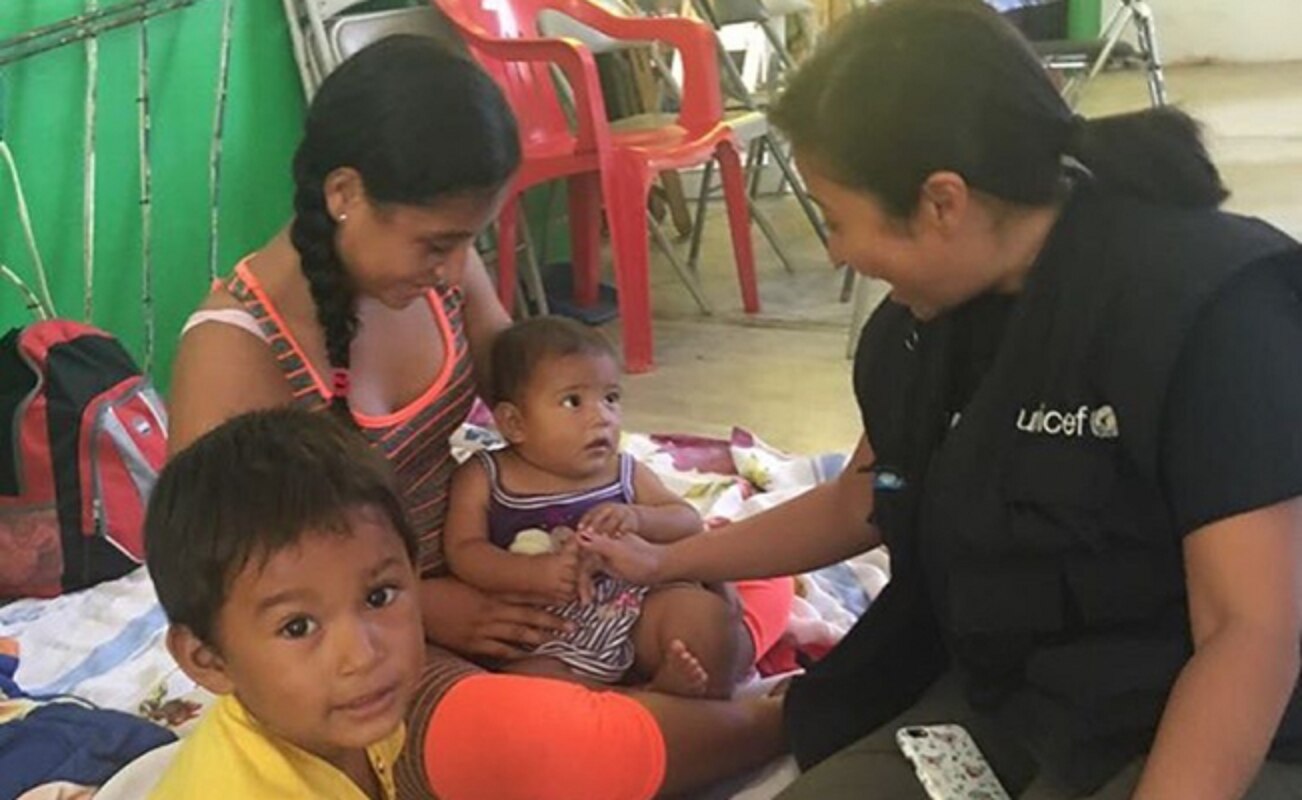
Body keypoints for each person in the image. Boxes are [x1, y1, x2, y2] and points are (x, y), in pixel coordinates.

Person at [583, 1, 1302, 797]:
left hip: (1223, 722)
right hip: (1019, 704)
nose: (838, 253)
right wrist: (667, 561)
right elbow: (864, 496)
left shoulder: (1210, 312)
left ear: (942, 202)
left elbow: (1250, 632)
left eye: (838, 220)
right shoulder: (922, 332)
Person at [167, 34, 791, 799]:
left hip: (509, 567)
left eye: (467, 241)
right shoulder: (236, 348)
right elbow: (230, 582)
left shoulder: (440, 274)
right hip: (370, 631)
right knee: (524, 740)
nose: (452, 266)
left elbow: (533, 396)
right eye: (437, 243)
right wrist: (422, 604)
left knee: (746, 564)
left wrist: (623, 517)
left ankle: (665, 696)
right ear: (344, 193)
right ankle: (770, 719)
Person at [445, 316, 750, 698]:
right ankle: (645, 701)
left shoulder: (623, 471)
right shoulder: (485, 476)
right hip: (544, 633)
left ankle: (678, 699)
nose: (602, 417)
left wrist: (638, 518)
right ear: (514, 422)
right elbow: (463, 551)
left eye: (611, 399)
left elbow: (686, 520)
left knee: (706, 621)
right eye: (573, 401)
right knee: (524, 689)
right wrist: (530, 573)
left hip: (634, 608)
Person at [145, 409, 426, 800]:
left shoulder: (353, 713)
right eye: (297, 627)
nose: (363, 656)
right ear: (208, 660)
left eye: (379, 597)